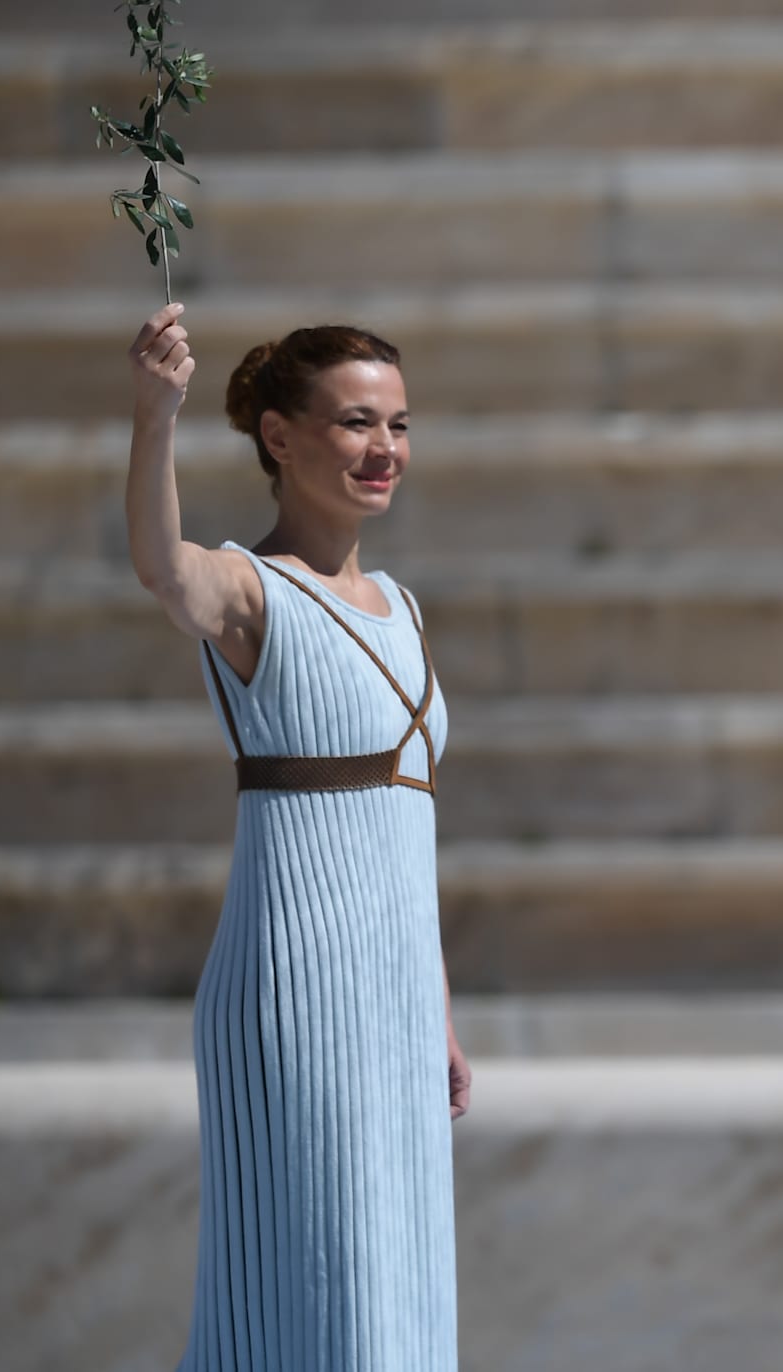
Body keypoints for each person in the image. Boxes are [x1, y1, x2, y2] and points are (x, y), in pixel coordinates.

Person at [126, 303, 467, 1369]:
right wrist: (156, 417)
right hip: (296, 988)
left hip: (398, 994)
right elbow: (158, 567)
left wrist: (439, 1009)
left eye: (400, 426)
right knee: (312, 1286)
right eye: (358, 423)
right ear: (280, 437)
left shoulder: (403, 606)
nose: (385, 450)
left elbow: (408, 828)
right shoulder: (248, 590)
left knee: (396, 1279)